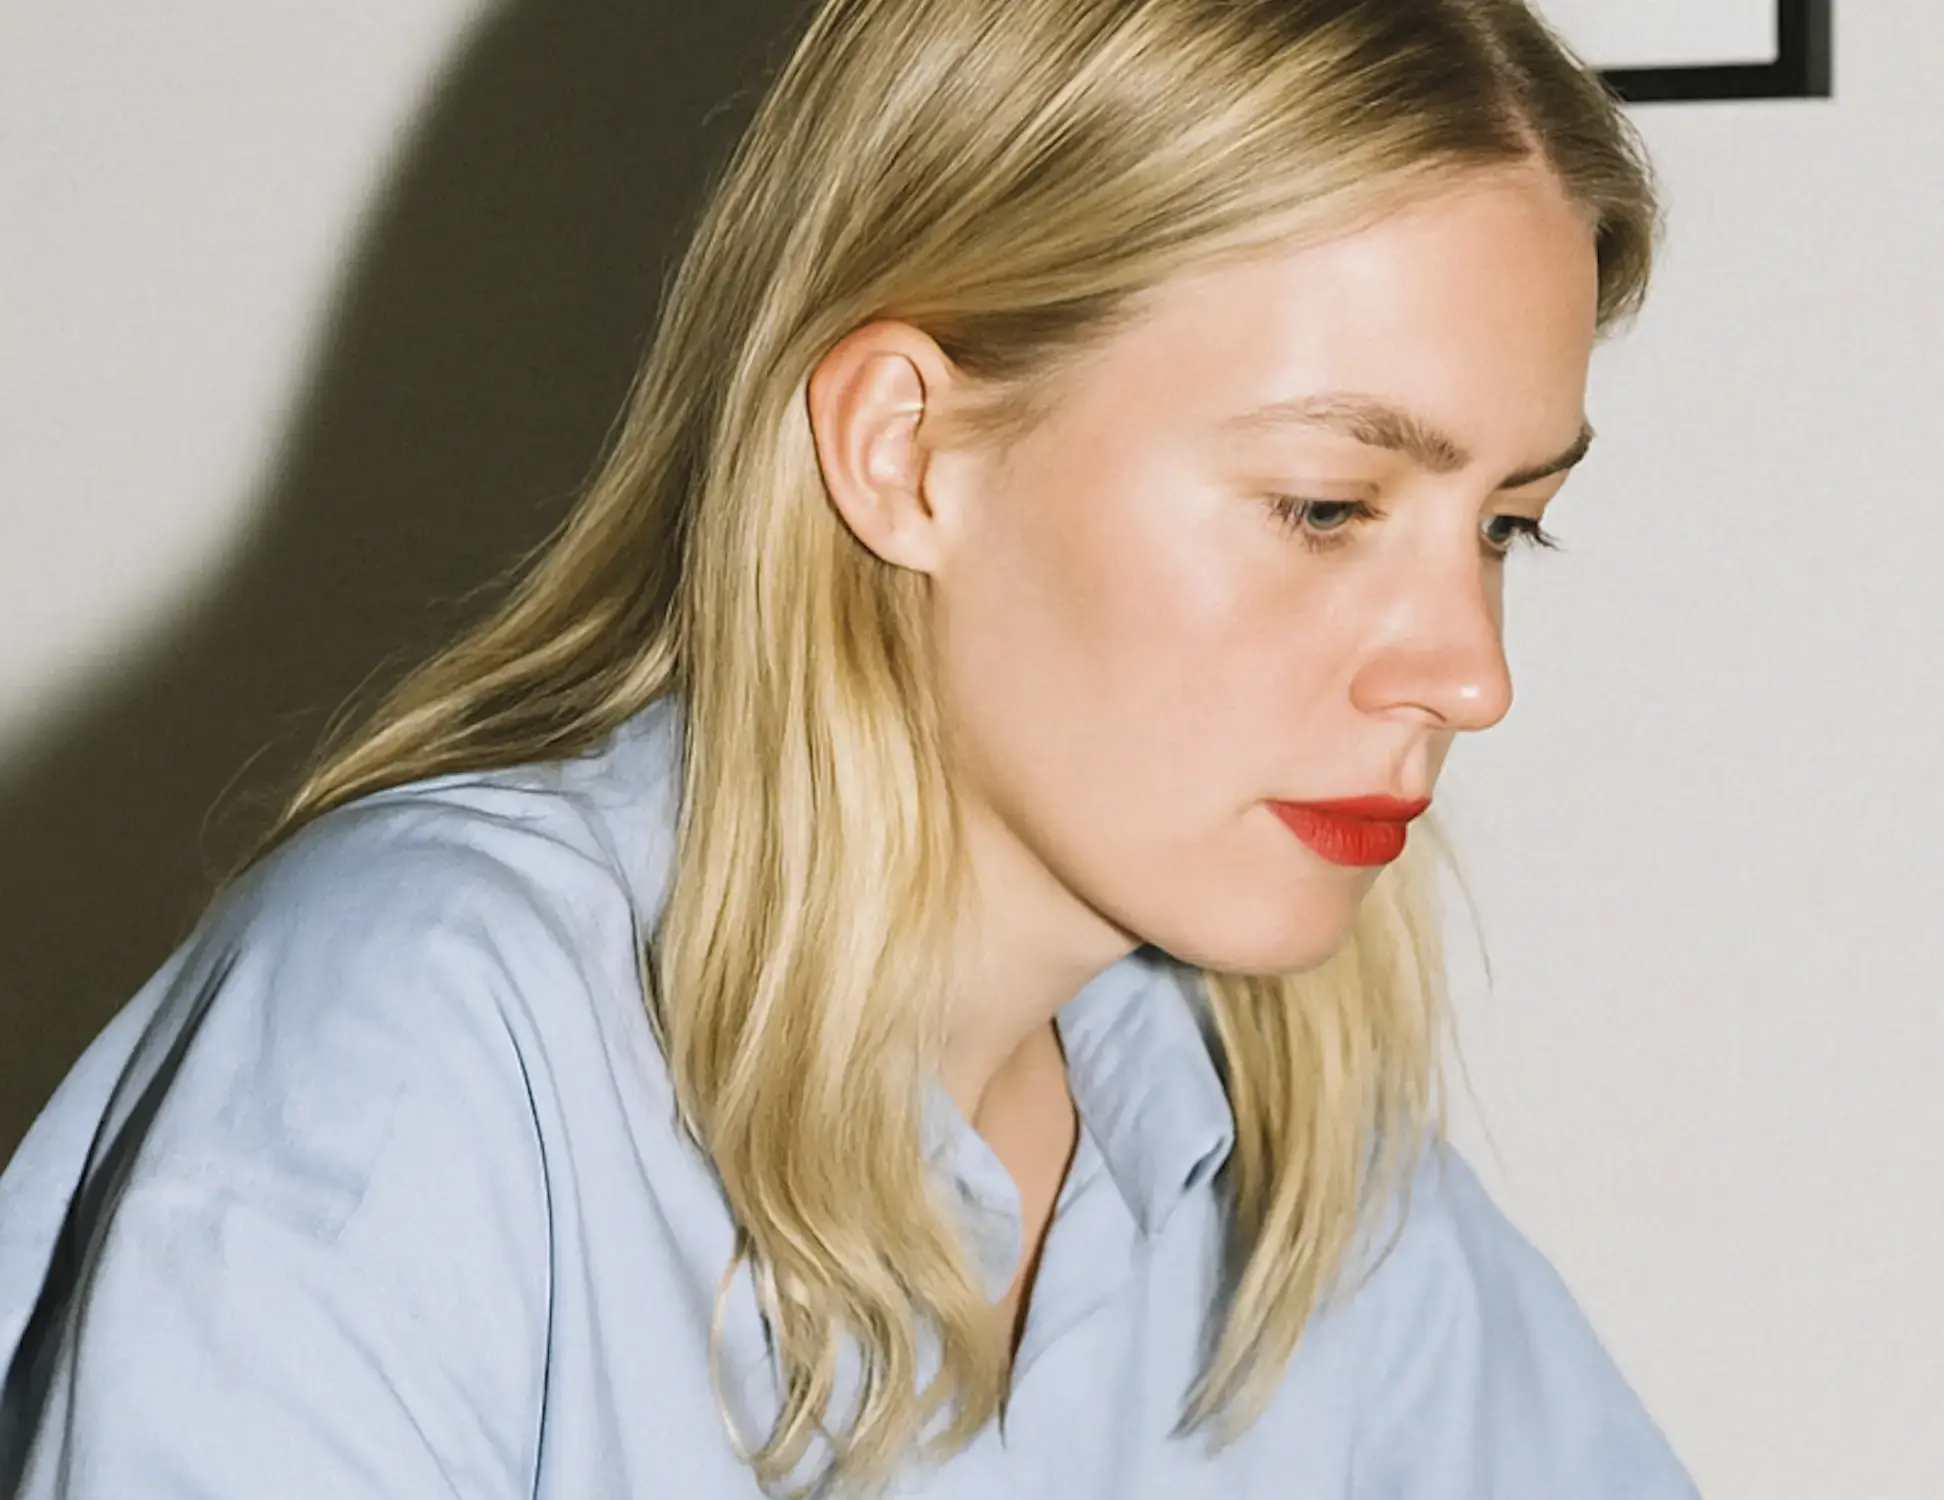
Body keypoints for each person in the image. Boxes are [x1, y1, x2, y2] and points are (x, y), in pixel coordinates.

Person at [0, 0, 1697, 1494]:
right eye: (1326, 507)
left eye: (1505, 526)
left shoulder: (1289, 1158)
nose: (1470, 678)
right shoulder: (433, 1041)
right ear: (905, 451)